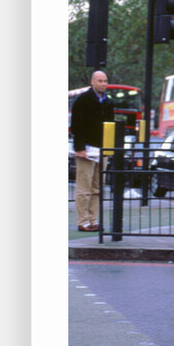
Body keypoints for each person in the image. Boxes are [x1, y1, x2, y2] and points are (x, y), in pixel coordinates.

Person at [70, 70, 114, 231]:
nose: (103, 84)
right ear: (92, 82)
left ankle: (93, 219)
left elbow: (110, 126)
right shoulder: (83, 100)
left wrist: (109, 148)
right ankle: (83, 221)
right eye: (100, 81)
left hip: (102, 149)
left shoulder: (108, 102)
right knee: (84, 186)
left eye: (105, 81)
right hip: (86, 149)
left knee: (97, 187)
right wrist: (80, 148)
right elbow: (77, 126)